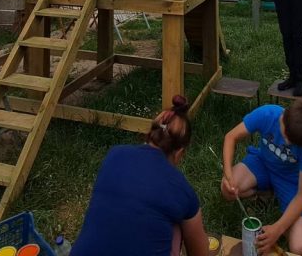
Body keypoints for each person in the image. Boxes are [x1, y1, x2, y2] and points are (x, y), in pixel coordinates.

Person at [72, 95, 209, 256]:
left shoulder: (114, 155)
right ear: (180, 153)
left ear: (150, 133)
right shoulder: (180, 189)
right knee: (178, 225)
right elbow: (200, 252)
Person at [220, 101, 302, 256]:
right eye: (286, 136)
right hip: (262, 163)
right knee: (227, 190)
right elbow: (231, 137)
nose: (287, 142)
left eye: (293, 142)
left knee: (301, 248)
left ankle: (287, 214)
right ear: (282, 118)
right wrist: (228, 175)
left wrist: (277, 228)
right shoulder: (267, 114)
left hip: (290, 181)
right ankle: (265, 192)